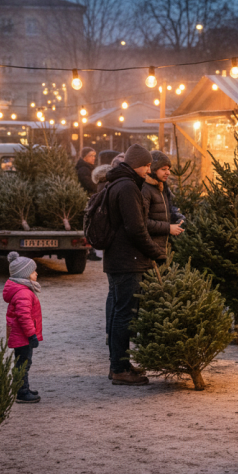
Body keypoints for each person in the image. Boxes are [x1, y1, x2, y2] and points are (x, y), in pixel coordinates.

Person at [104, 143, 167, 386]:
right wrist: (155, 252)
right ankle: (120, 368)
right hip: (127, 260)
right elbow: (136, 228)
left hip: (118, 259)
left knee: (120, 311)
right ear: (137, 164)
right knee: (124, 315)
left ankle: (118, 364)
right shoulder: (128, 187)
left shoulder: (117, 182)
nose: (149, 170)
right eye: (147, 165)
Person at [3, 252, 43, 404]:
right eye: (33, 271)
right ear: (24, 274)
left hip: (21, 335)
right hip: (22, 336)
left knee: (23, 362)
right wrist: (31, 335)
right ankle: (21, 392)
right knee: (23, 363)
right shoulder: (23, 293)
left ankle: (23, 387)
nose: (36, 273)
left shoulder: (22, 290)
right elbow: (24, 317)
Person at [141, 152, 184, 253]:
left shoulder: (161, 187)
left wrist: (176, 219)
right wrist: (168, 228)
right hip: (149, 249)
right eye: (163, 169)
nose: (168, 172)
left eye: (168, 169)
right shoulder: (145, 190)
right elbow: (142, 222)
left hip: (160, 247)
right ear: (153, 170)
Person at [76, 147, 100, 262]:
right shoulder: (83, 170)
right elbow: (89, 184)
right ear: (85, 156)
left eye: (94, 155)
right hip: (87, 200)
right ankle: (91, 251)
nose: (94, 158)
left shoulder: (88, 168)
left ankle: (92, 250)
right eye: (91, 155)